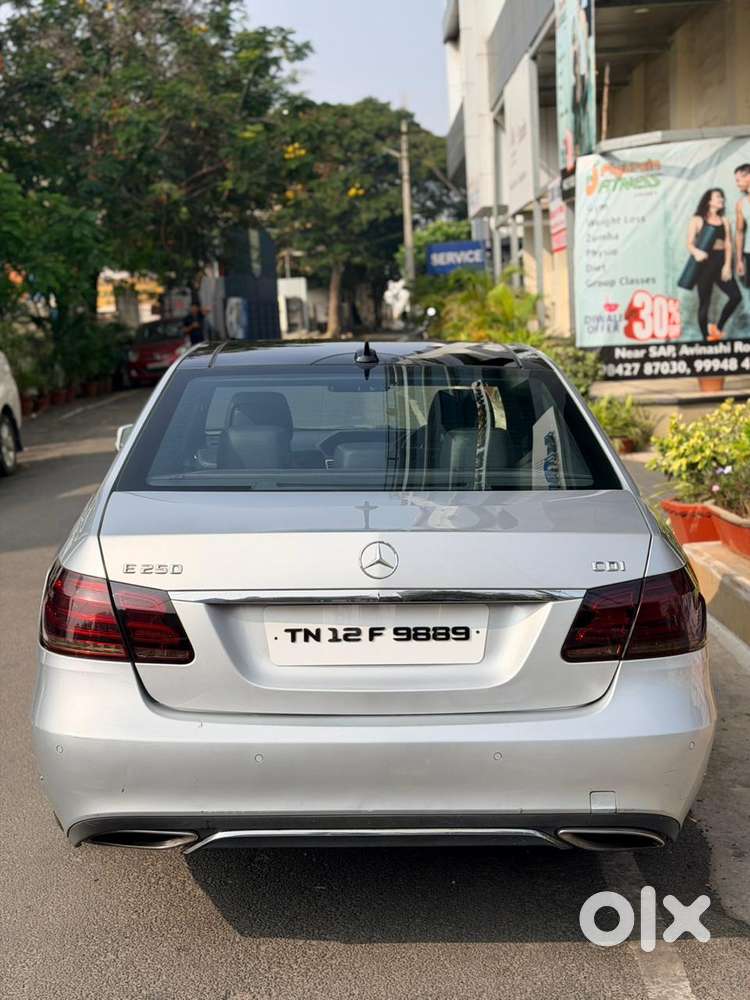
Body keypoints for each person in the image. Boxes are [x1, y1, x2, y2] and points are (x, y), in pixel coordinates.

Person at [685, 188, 741, 342]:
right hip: (704, 264)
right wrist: (696, 252)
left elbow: (728, 244)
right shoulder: (697, 219)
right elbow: (689, 244)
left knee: (736, 296)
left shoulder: (725, 221)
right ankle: (706, 338)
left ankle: (718, 328)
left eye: (722, 197)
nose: (721, 199)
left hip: (721, 262)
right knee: (705, 302)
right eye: (718, 197)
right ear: (709, 201)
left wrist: (728, 265)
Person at [734, 163, 750, 287]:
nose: (737, 183)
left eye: (738, 180)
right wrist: (739, 260)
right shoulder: (741, 204)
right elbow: (740, 233)